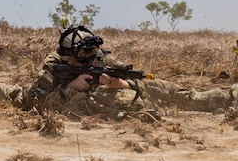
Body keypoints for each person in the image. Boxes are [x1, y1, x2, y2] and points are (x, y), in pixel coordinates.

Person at [20, 26, 156, 119]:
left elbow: (143, 86)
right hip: (25, 96)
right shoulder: (54, 64)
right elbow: (36, 102)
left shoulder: (104, 60)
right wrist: (70, 87)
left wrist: (121, 84)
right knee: (9, 94)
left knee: (159, 86)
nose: (70, 63)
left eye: (80, 61)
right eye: (68, 59)